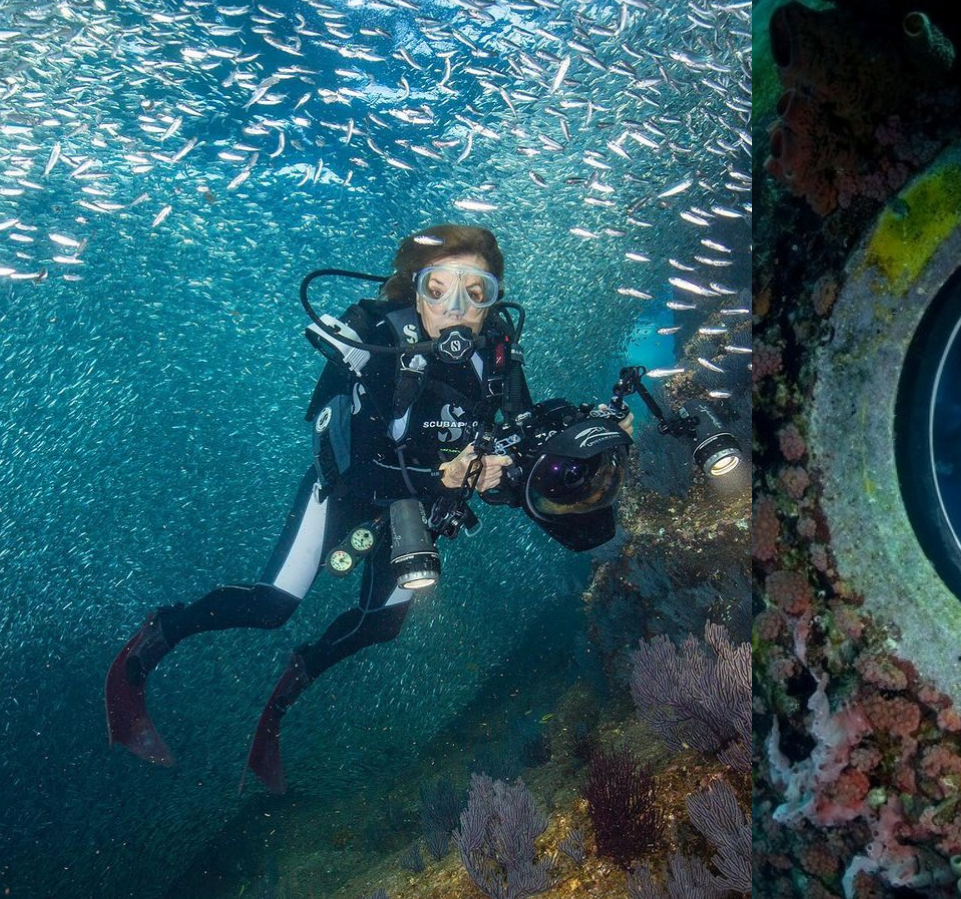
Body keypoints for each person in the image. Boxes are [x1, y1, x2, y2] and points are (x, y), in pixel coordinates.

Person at [105, 224, 630, 793]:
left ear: (495, 297)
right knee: (270, 606)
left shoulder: (496, 352)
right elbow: (350, 468)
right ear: (413, 288)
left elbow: (517, 431)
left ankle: (288, 692)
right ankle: (152, 641)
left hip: (417, 509)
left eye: (477, 291)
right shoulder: (371, 345)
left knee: (381, 625)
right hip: (343, 495)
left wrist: (582, 430)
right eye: (439, 288)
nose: (458, 307)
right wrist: (446, 475)